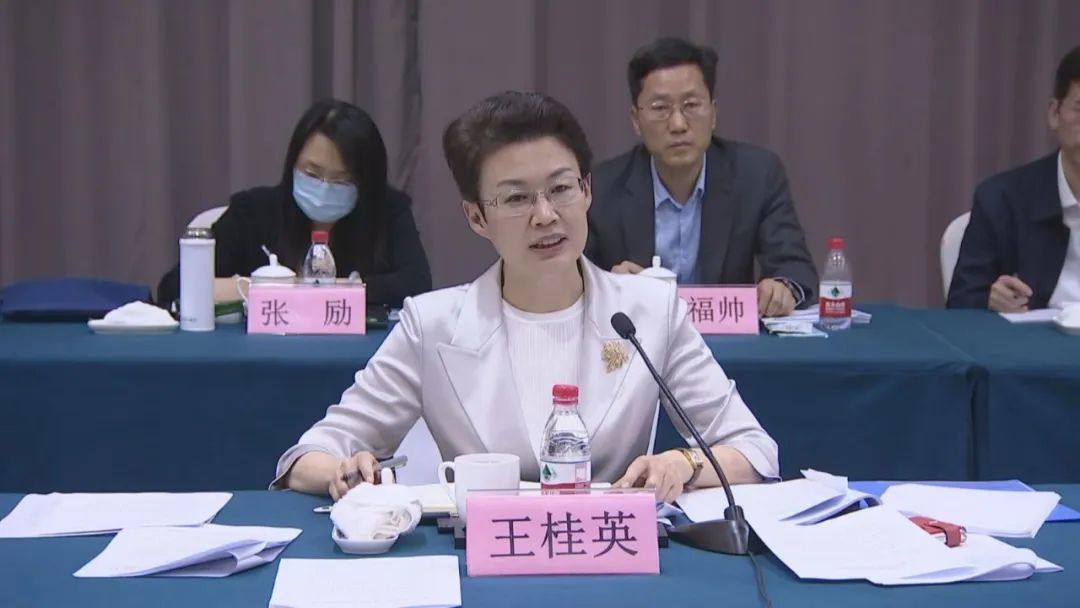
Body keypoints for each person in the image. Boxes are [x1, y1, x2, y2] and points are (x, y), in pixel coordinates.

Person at [274, 91, 778, 504]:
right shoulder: (433, 324)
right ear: (476, 217)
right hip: (483, 562)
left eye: (561, 189)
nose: (545, 215)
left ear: (587, 190)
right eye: (516, 198)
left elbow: (754, 450)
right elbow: (306, 456)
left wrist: (684, 463)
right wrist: (342, 471)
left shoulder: (648, 310)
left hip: (609, 557)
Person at [585, 37, 817, 317]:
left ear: (714, 113)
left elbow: (795, 267)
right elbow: (571, 281)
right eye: (660, 108)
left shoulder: (757, 175)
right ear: (636, 120)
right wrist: (608, 284)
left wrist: (783, 288)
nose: (678, 124)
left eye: (691, 105)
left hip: (727, 340)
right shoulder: (602, 187)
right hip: (640, 338)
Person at [157, 99, 432, 310]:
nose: (324, 187)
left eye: (342, 180)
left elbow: (416, 286)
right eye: (312, 173)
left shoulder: (388, 211)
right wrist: (265, 288)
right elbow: (174, 287)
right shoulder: (252, 211)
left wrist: (307, 290)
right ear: (293, 163)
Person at [948, 46, 1080, 312]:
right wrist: (989, 300)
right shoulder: (1001, 200)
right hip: (1032, 337)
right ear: (1054, 113)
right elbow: (960, 305)